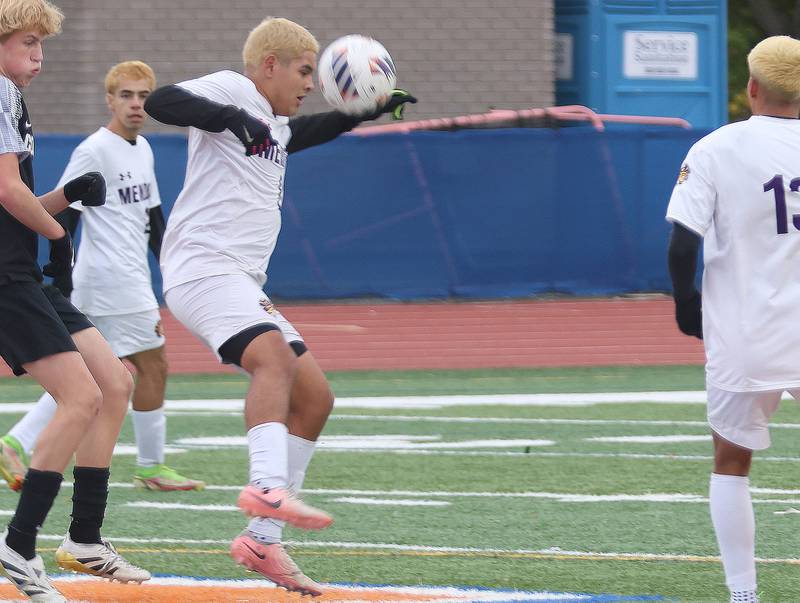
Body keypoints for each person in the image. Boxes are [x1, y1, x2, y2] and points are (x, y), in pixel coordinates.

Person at [144, 16, 415, 596]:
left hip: (239, 278)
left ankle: (262, 538)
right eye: (303, 71)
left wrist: (364, 110)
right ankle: (267, 486)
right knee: (274, 361)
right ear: (269, 65)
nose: (310, 84)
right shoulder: (234, 90)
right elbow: (165, 101)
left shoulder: (275, 123)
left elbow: (304, 132)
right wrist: (235, 118)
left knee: (316, 398)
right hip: (202, 268)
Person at [0, 1, 151, 601]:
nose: (38, 57)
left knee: (115, 381)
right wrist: (57, 230)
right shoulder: (0, 93)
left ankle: (84, 537)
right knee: (80, 396)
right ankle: (19, 543)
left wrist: (62, 199)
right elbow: (8, 190)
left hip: (19, 269)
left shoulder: (13, 98)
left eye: (42, 45)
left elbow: (15, 198)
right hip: (6, 277)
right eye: (27, 44)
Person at [0, 60, 204, 493]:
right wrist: (62, 271)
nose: (135, 104)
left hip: (130, 277)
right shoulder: (94, 149)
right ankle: (148, 466)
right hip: (104, 280)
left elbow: (152, 217)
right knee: (132, 371)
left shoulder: (144, 150)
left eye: (142, 96)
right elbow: (65, 211)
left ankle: (19, 446)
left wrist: (171, 266)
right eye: (126, 95)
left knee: (98, 378)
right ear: (109, 99)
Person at [667, 35, 800, 603]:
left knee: (730, 463)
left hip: (745, 332)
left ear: (751, 88)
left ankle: (743, 595)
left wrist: (685, 304)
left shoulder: (717, 147)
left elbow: (681, 244)